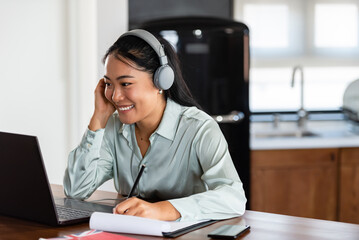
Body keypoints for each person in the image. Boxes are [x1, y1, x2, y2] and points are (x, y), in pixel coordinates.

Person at [63, 29, 246, 221]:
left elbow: (233, 198)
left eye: (125, 84)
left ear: (161, 81)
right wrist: (98, 117)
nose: (115, 96)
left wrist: (164, 209)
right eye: (109, 84)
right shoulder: (112, 127)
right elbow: (76, 189)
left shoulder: (199, 129)